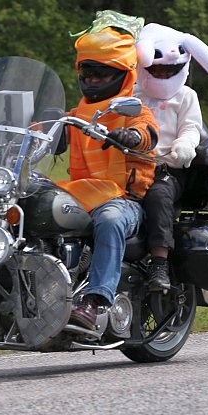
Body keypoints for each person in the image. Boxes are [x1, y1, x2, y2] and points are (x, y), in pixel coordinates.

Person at [59, 25, 159, 330]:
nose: (93, 80)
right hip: (80, 193)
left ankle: (95, 302)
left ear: (122, 75)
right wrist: (24, 132)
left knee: (110, 220)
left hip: (123, 199)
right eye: (88, 73)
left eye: (101, 74)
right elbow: (50, 132)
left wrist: (131, 136)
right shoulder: (75, 113)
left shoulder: (134, 109)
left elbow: (150, 135)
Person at [133, 23, 208, 291]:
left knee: (159, 197)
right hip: (129, 166)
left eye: (169, 70)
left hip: (166, 168)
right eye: (157, 69)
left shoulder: (186, 96)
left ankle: (159, 262)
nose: (163, 74)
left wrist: (184, 145)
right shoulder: (132, 94)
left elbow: (191, 127)